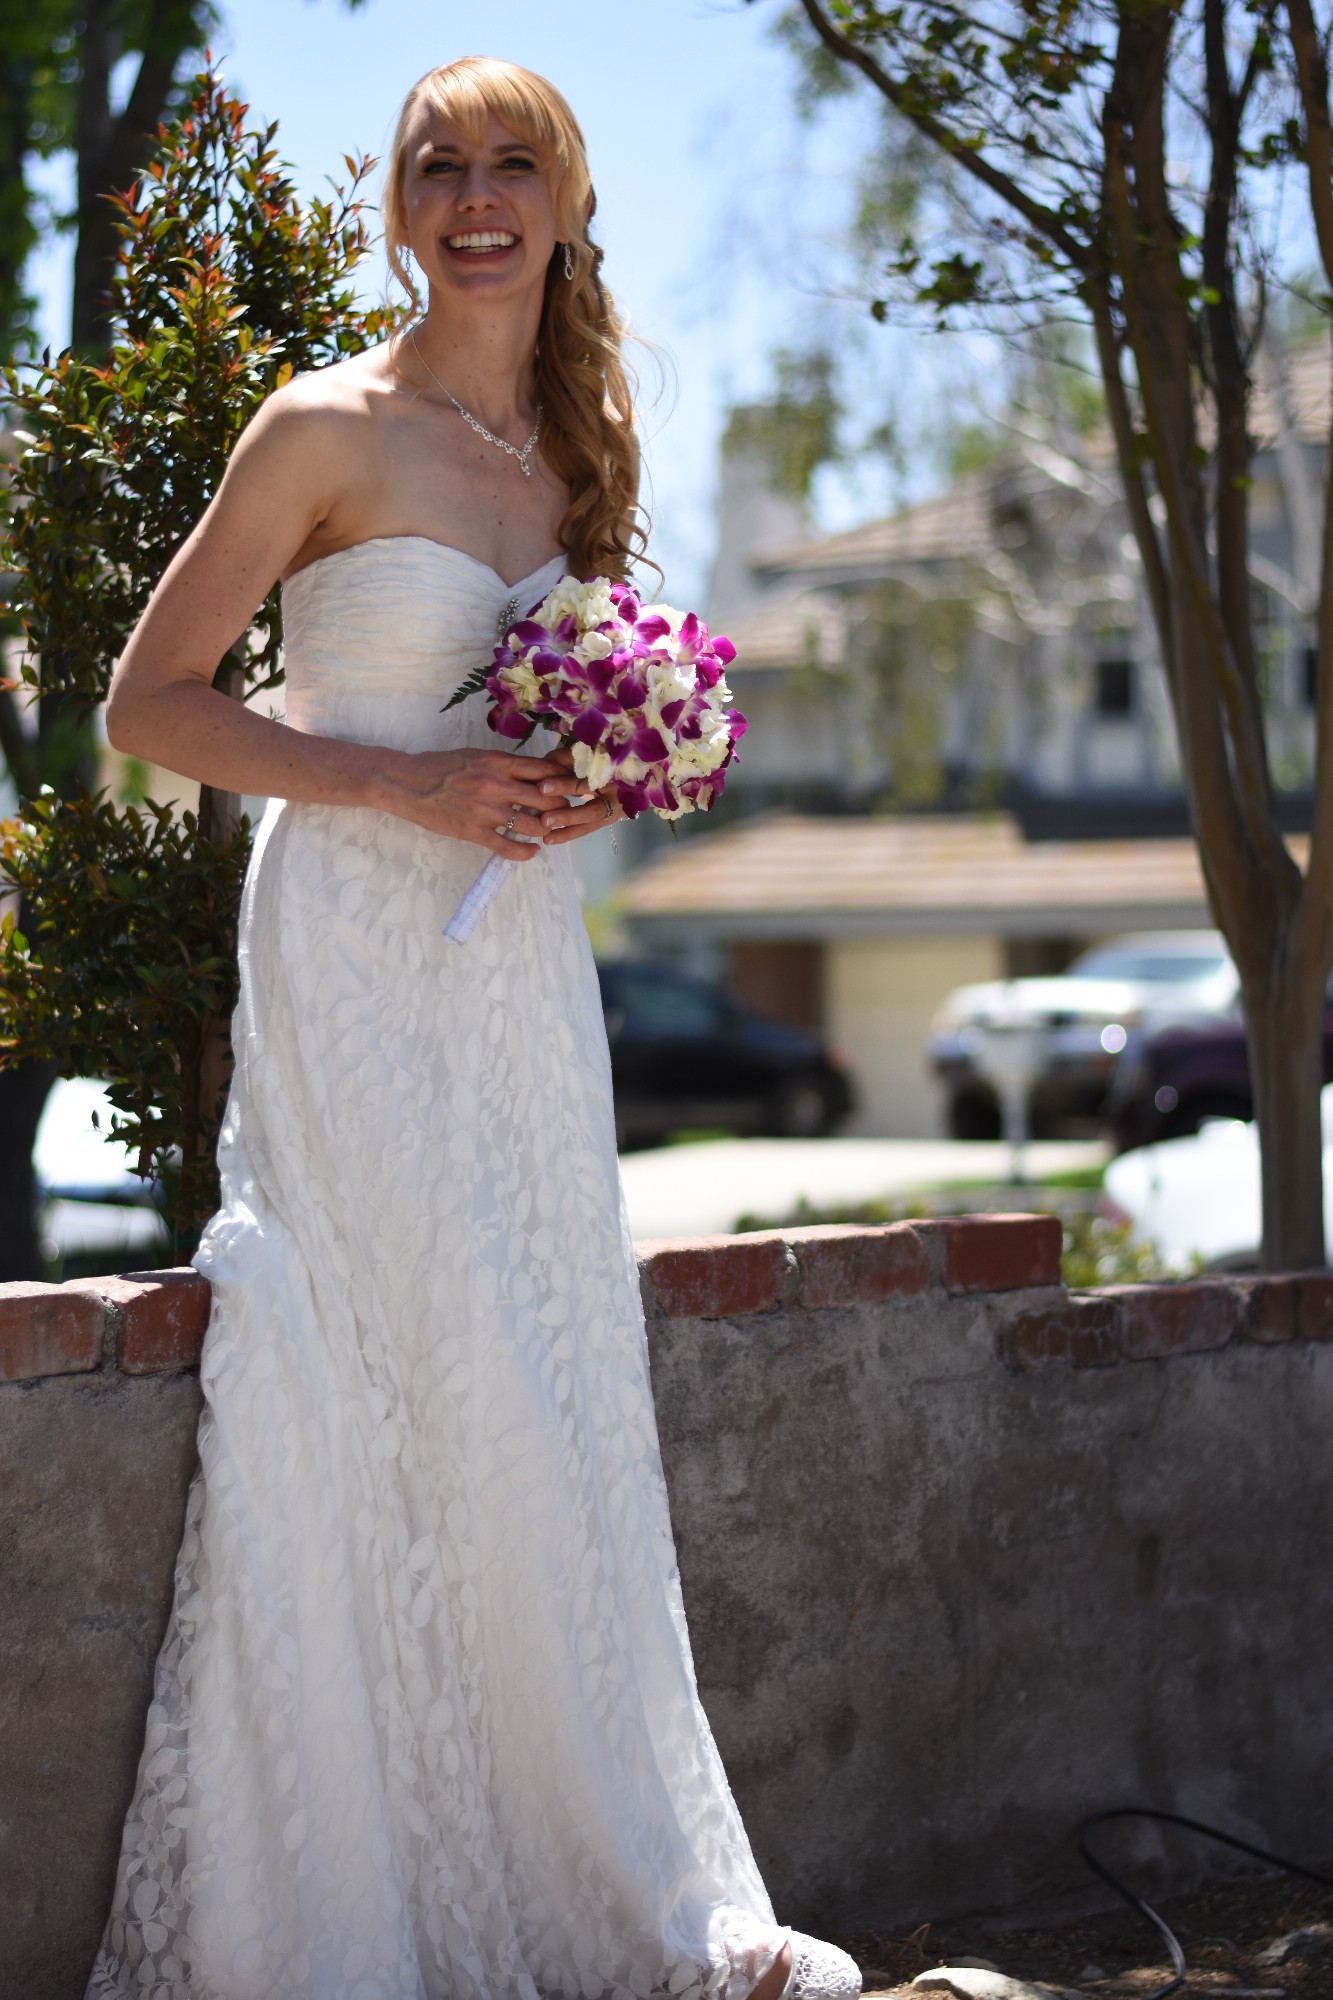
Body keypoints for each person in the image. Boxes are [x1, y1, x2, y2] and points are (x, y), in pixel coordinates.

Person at [86, 56, 864, 2000]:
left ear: (569, 200)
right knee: (394, 1356)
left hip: (516, 951)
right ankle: (357, 1903)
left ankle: (602, 1887)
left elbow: (563, 702)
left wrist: (604, 777)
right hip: (353, 938)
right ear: (402, 210)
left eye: (515, 162)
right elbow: (148, 705)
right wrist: (404, 785)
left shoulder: (581, 445)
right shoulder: (319, 423)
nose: (477, 194)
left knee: (541, 1371)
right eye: (440, 165)